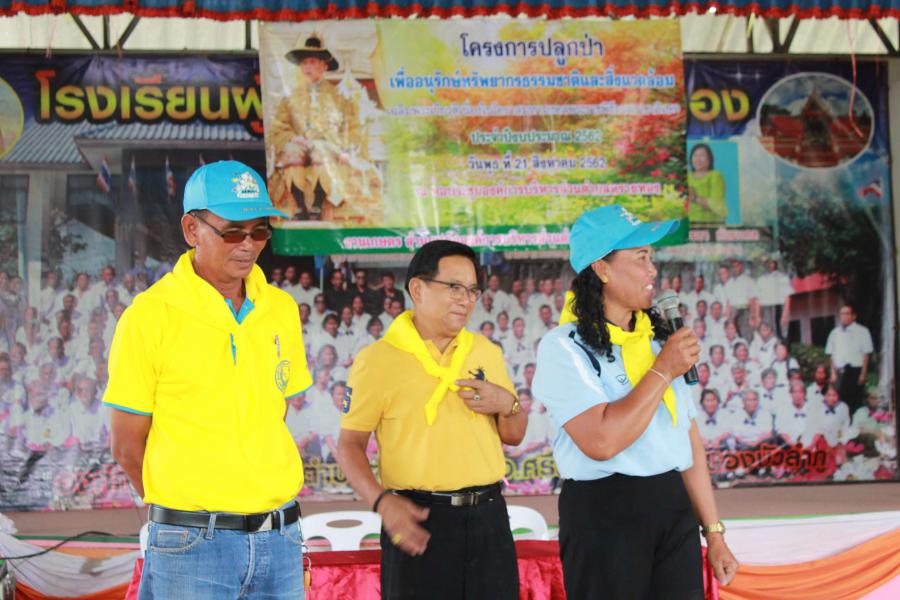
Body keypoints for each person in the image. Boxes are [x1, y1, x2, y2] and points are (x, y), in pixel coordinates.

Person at [104, 161, 312, 599]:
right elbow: (126, 446)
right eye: (233, 232)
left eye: (260, 231)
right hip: (192, 543)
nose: (249, 245)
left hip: (281, 536)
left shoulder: (281, 310)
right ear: (191, 229)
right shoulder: (149, 317)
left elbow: (272, 414)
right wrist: (184, 513)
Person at [533, 204, 738, 599]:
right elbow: (601, 441)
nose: (653, 270)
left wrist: (713, 533)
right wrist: (663, 370)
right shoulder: (564, 347)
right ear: (602, 269)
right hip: (604, 511)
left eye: (652, 257)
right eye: (641, 257)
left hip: (672, 506)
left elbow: (688, 439)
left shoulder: (658, 340)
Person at [337, 240, 526, 600]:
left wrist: (508, 404)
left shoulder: (485, 351)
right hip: (418, 518)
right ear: (417, 289)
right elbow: (349, 445)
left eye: (472, 290)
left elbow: (515, 434)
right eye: (454, 287)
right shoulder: (377, 360)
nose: (465, 299)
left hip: (489, 517)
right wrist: (382, 502)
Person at [269, 35, 366, 221]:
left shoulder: (340, 98)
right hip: (300, 145)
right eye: (304, 63)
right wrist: (293, 138)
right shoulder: (290, 98)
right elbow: (278, 128)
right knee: (291, 151)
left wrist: (344, 147)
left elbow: (352, 129)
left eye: (312, 62)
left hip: (327, 147)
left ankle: (317, 203)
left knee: (321, 151)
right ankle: (299, 205)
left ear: (324, 66)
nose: (307, 67)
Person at [825, 304, 873, 414]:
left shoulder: (862, 331)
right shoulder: (835, 333)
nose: (843, 317)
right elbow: (831, 354)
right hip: (840, 373)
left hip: (856, 372)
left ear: (853, 316)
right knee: (840, 402)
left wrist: (863, 374)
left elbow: (866, 355)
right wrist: (833, 373)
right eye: (841, 314)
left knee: (855, 402)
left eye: (847, 314)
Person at [687, 143, 727, 224]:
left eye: (702, 156)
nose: (698, 159)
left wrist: (694, 198)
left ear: (710, 159)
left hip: (710, 224)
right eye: (695, 155)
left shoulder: (715, 176)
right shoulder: (687, 176)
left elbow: (717, 206)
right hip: (689, 223)